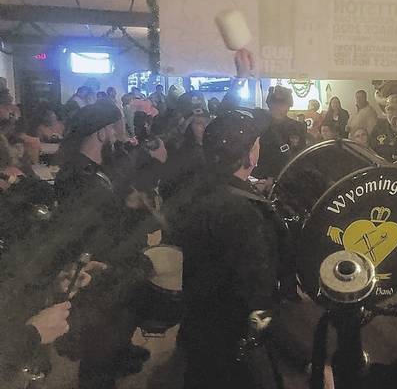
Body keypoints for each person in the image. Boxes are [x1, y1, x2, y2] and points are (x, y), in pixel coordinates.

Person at [175, 108, 294, 389]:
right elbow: (257, 293)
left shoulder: (202, 188)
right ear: (249, 155)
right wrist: (297, 352)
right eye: (257, 142)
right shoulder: (241, 213)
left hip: (200, 326)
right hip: (231, 340)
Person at [53, 100, 152, 389]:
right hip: (97, 269)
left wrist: (129, 205)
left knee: (116, 328)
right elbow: (87, 229)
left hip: (110, 262)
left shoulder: (92, 168)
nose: (119, 133)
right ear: (100, 132)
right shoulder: (78, 175)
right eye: (115, 127)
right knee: (99, 344)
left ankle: (118, 356)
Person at [252, 86, 306, 190]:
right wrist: (268, 176)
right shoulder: (259, 126)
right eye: (274, 103)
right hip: (261, 180)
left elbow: (301, 156)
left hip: (288, 180)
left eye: (282, 104)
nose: (278, 107)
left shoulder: (298, 127)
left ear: (288, 106)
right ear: (269, 104)